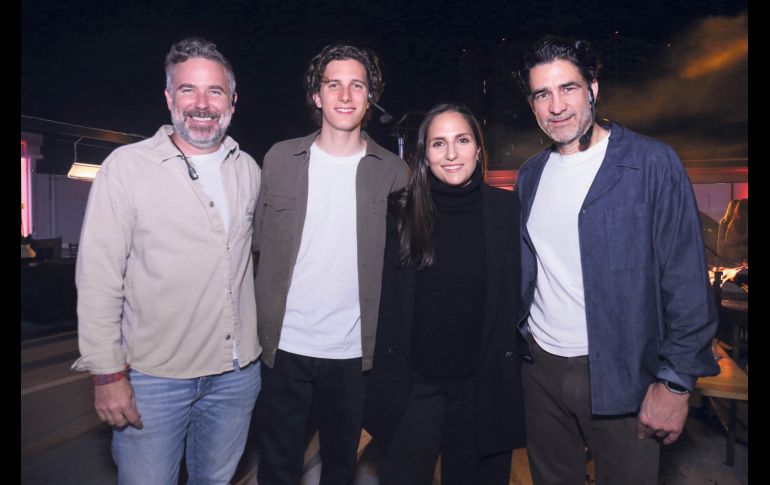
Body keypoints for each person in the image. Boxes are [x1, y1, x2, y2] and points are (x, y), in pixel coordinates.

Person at [514, 37, 719, 484]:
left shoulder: (651, 165)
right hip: (540, 369)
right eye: (542, 94)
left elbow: (686, 284)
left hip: (624, 373)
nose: (556, 106)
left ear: (593, 88)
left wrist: (677, 383)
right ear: (531, 105)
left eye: (568, 88)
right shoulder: (531, 174)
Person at [72, 37, 261, 484]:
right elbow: (98, 278)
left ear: (232, 101)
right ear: (168, 97)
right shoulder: (126, 168)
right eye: (187, 90)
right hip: (154, 380)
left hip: (237, 376)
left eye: (214, 91)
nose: (201, 103)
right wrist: (106, 374)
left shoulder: (248, 170)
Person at [253, 44, 408, 485]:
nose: (344, 94)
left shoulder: (396, 172)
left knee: (340, 470)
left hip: (354, 356)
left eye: (357, 84)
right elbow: (257, 244)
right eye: (333, 83)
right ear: (316, 96)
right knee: (278, 469)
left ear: (370, 96)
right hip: (283, 348)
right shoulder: (279, 159)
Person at [363, 103, 526, 484]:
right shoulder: (400, 212)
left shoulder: (507, 210)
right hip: (414, 389)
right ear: (424, 155)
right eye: (439, 143)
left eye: (462, 140)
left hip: (482, 389)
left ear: (478, 149)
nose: (451, 154)